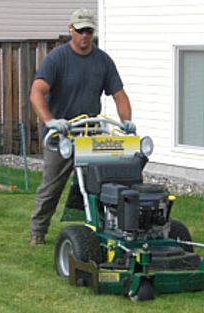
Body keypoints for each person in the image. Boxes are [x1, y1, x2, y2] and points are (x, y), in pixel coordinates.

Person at [29, 8, 135, 246]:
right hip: (62, 136)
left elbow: (119, 95)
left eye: (89, 31)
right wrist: (50, 121)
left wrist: (127, 121)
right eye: (80, 31)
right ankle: (38, 231)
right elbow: (37, 92)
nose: (85, 36)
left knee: (99, 185)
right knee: (52, 186)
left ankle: (102, 231)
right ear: (71, 31)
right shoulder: (57, 59)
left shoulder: (103, 61)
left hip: (91, 135)